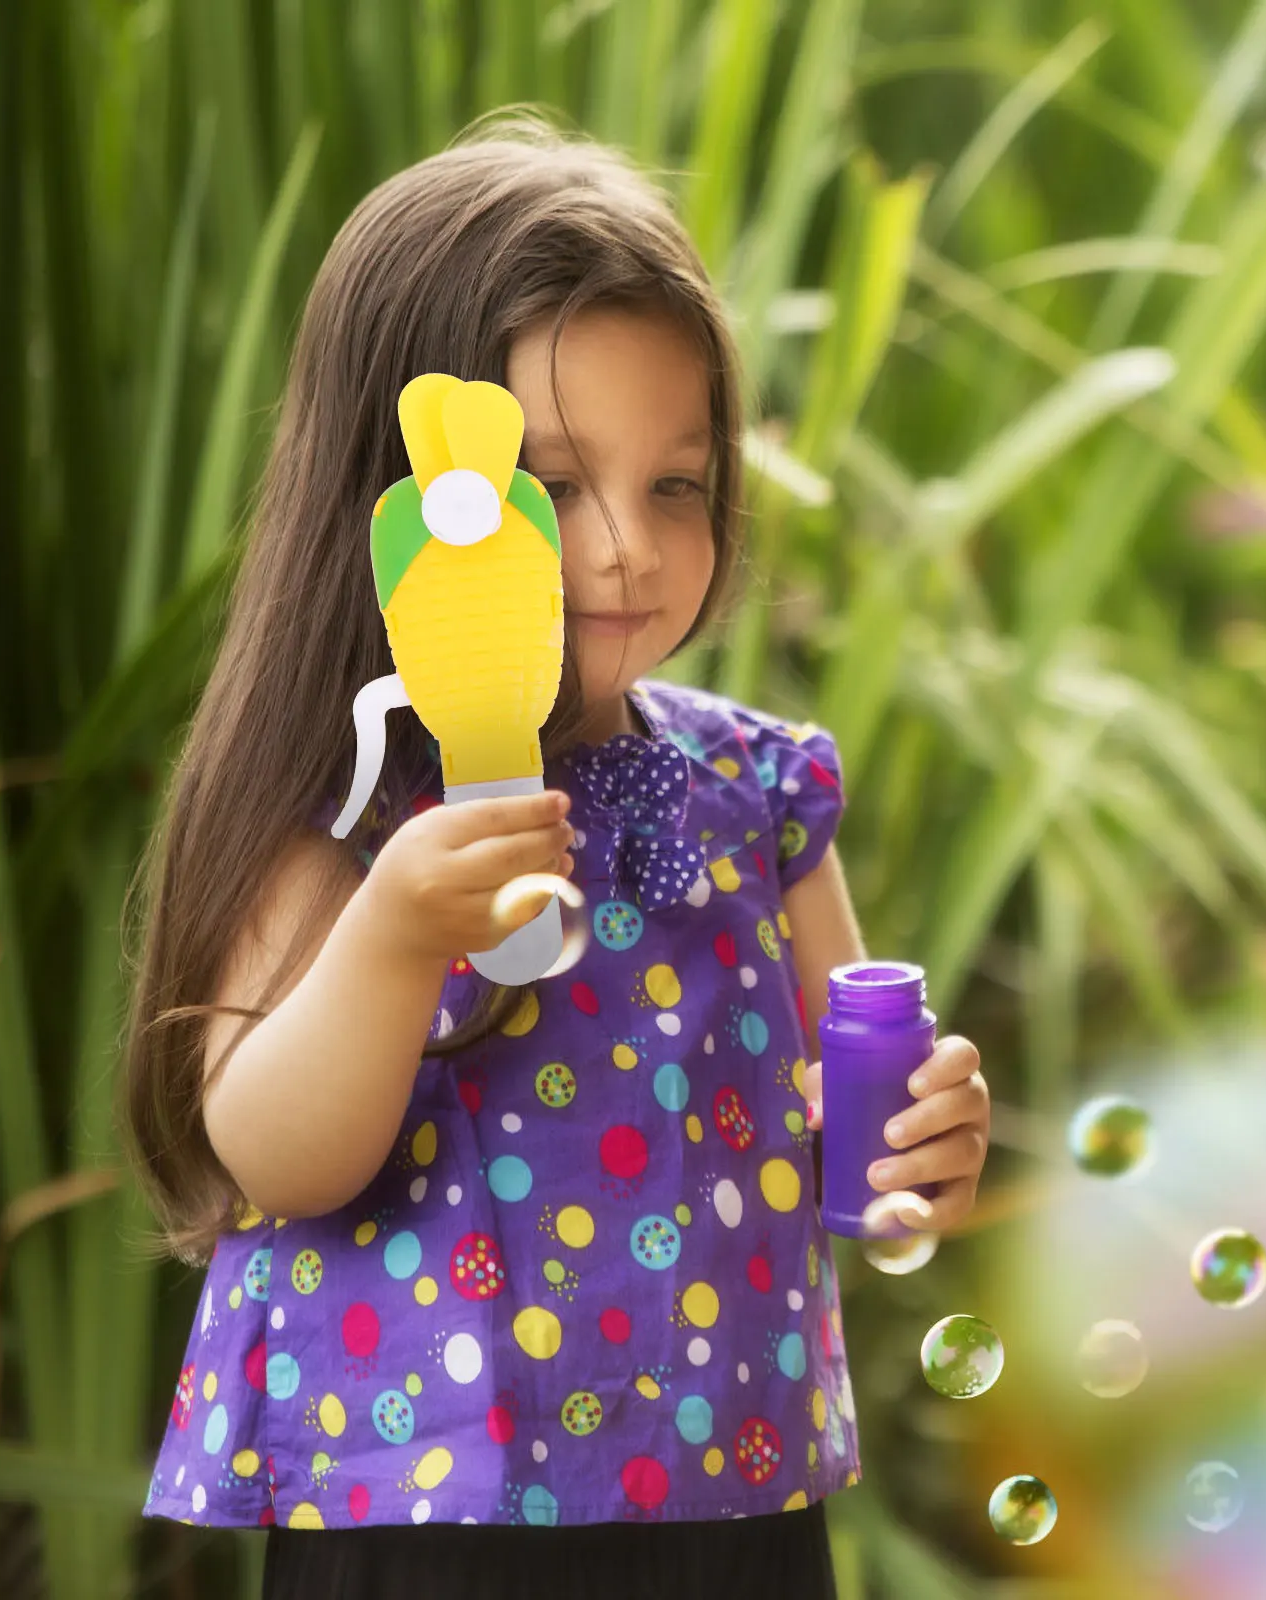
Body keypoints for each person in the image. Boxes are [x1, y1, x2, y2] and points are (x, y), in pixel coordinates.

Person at [120, 111, 991, 1600]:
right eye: (553, 487)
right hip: (429, 1505)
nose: (628, 552)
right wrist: (397, 935)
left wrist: (919, 1146)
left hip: (732, 1485)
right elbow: (274, 1154)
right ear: (390, 507)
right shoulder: (348, 796)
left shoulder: (755, 792)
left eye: (677, 484)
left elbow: (851, 1122)